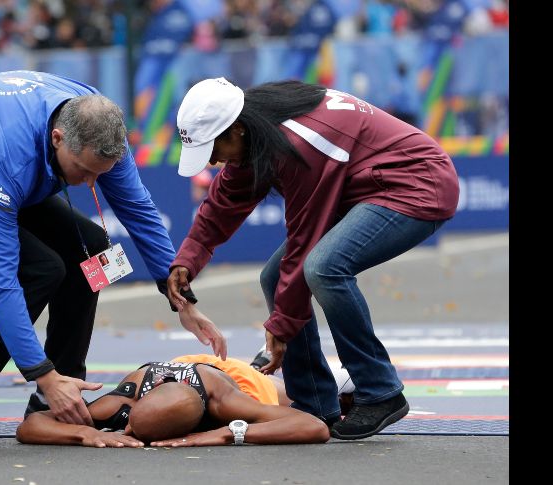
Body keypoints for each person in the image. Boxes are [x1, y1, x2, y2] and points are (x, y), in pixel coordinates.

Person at [0, 70, 227, 446]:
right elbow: (2, 280)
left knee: (91, 247)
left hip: (2, 175)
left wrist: (179, 296)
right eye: (84, 171)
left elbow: (137, 208)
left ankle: (58, 398)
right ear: (58, 138)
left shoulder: (98, 124)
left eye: (100, 173)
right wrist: (41, 371)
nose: (92, 183)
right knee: (39, 270)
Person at [167, 77, 459, 440]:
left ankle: (380, 391)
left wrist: (281, 327)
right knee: (276, 277)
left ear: (237, 130)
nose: (212, 159)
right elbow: (225, 202)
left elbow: (305, 241)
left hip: (416, 186)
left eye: (213, 148)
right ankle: (315, 405)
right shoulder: (260, 127)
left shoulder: (300, 142)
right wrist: (187, 260)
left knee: (323, 268)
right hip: (364, 190)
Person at [16, 353, 331, 447]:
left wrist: (228, 432)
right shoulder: (123, 402)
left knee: (299, 398)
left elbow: (314, 426)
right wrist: (85, 432)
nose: (125, 432)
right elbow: (32, 424)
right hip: (173, 371)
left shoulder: (225, 404)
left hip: (230, 377)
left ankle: (262, 363)